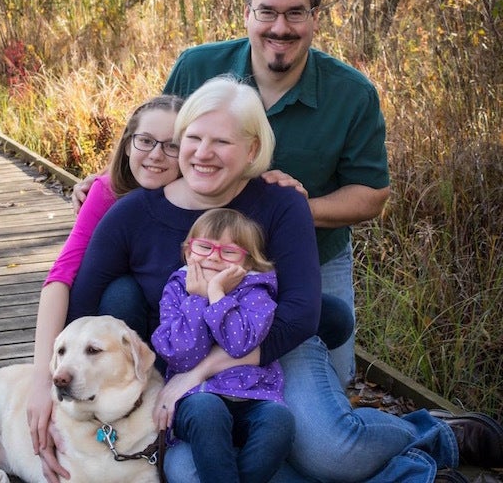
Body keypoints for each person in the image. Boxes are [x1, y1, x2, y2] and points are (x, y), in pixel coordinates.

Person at [60, 76, 502, 483]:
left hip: (273, 344)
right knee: (190, 473)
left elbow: (301, 314)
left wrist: (198, 372)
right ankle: (402, 473)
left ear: (252, 150)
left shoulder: (280, 203)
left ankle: (429, 434)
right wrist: (49, 390)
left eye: (222, 141)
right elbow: (79, 307)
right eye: (193, 138)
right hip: (188, 350)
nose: (203, 152)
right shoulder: (132, 213)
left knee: (329, 453)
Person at [72, 0, 391, 387]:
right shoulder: (198, 68)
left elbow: (371, 194)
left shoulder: (352, 94)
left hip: (310, 252)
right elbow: (167, 143)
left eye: (296, 13)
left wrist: (290, 211)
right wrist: (110, 183)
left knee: (327, 381)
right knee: (178, 335)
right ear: (247, 15)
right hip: (207, 246)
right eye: (267, 12)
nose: (281, 27)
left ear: (315, 18)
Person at [27, 94, 183, 465]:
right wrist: (41, 382)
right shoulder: (107, 192)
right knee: (122, 291)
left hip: (174, 330)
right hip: (116, 328)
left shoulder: (198, 198)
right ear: (129, 141)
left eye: (172, 145)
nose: (156, 155)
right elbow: (60, 277)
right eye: (145, 141)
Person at [152, 208, 295, 483]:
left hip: (255, 396)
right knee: (208, 411)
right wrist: (197, 298)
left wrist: (217, 294)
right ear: (187, 252)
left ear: (249, 262)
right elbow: (181, 356)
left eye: (228, 252)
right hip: (196, 399)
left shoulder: (258, 293)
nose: (214, 257)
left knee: (280, 422)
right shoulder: (177, 289)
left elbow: (239, 344)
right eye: (204, 247)